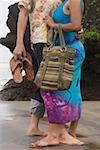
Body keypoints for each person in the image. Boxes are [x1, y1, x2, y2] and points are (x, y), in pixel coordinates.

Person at [13, 0, 84, 138]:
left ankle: (35, 126)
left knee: (50, 83)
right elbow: (23, 13)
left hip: (60, 40)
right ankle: (57, 130)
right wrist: (19, 43)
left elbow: (69, 15)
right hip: (42, 40)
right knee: (49, 83)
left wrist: (76, 28)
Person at [31, 0, 88, 148]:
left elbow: (75, 25)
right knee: (67, 90)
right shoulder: (66, 1)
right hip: (67, 50)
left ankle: (54, 136)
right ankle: (65, 134)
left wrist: (54, 24)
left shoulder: (74, 0)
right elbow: (76, 26)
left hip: (69, 52)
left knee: (54, 90)